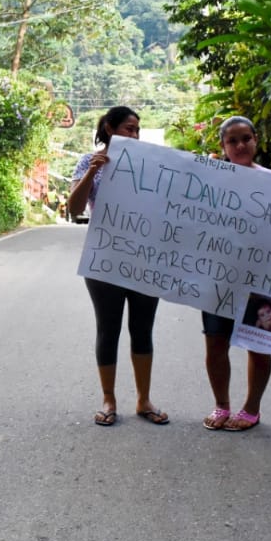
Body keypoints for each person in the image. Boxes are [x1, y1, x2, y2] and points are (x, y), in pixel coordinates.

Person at [67, 106, 167, 427]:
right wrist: (91, 172)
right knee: (108, 329)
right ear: (110, 128)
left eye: (138, 130)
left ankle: (144, 400)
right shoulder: (89, 162)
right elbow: (74, 208)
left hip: (144, 260)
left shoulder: (151, 166)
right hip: (105, 260)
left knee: (142, 330)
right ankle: (108, 400)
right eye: (128, 128)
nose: (134, 135)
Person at [201, 116, 271, 432]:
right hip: (220, 279)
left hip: (263, 279)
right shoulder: (211, 178)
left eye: (246, 138)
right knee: (216, 344)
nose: (240, 145)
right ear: (223, 146)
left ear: (256, 140)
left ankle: (251, 409)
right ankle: (221, 406)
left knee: (258, 345)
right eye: (232, 141)